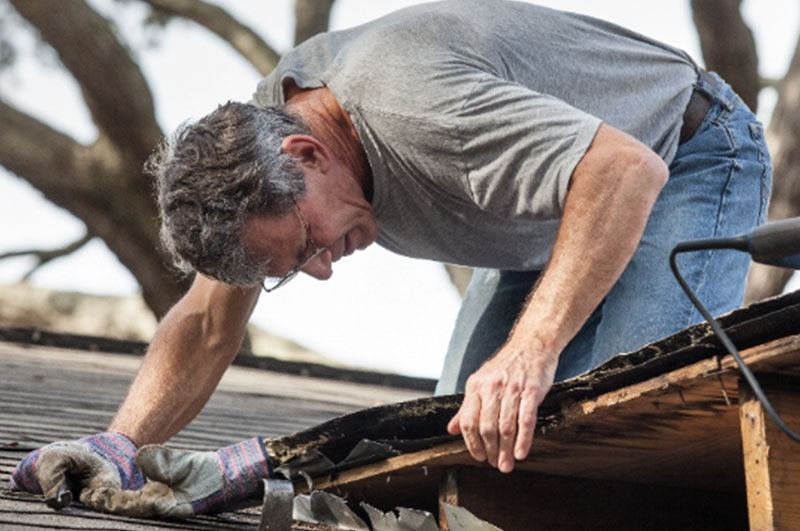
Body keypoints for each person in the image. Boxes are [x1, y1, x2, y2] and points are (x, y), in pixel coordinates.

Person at [12, 0, 771, 517]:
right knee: (464, 455)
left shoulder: (413, 106)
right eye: (291, 268)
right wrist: (118, 445)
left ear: (306, 153)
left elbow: (622, 172)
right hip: (545, 214)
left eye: (307, 244)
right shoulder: (253, 154)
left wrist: (532, 350)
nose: (321, 268)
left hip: (684, 154)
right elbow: (209, 322)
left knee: (624, 436)